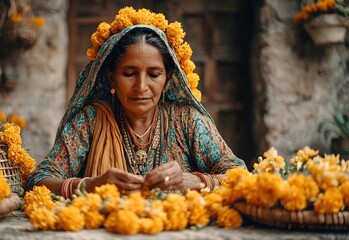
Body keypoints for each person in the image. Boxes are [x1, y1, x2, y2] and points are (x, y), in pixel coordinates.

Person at [26, 7, 246, 198]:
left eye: (154, 74)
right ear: (112, 76)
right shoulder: (91, 121)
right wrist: (89, 185)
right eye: (129, 73)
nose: (141, 86)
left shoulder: (187, 121)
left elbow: (239, 175)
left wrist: (196, 181)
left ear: (168, 78)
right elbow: (38, 180)